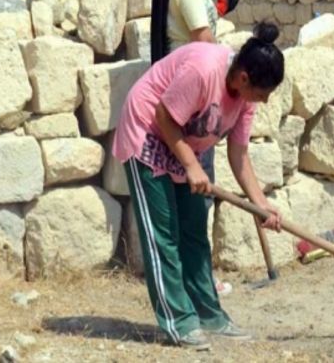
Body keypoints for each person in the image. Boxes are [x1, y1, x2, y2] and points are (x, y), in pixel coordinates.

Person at [112, 22, 285, 350]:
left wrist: (261, 204)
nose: (261, 101)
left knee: (194, 230)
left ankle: (208, 314)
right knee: (162, 235)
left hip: (181, 143)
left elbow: (239, 154)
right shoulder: (204, 70)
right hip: (148, 134)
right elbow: (164, 116)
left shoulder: (245, 99)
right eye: (261, 94)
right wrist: (191, 165)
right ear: (244, 77)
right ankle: (178, 322)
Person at [149, 0, 242, 296]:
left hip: (184, 90)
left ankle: (193, 277)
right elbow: (202, 40)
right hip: (195, 93)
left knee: (189, 196)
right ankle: (199, 280)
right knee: (198, 194)